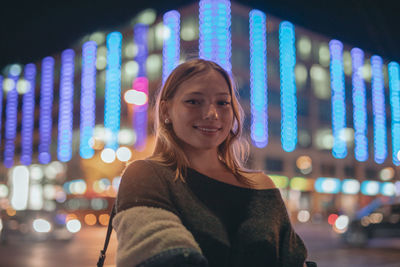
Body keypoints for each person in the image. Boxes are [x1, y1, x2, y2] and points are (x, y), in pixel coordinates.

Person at [113, 59, 315, 267]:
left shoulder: (262, 185)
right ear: (166, 111)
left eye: (222, 103)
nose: (212, 114)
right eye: (194, 101)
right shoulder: (146, 175)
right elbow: (164, 255)